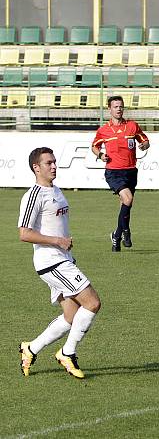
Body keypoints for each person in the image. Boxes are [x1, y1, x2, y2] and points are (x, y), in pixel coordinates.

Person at [18, 147, 101, 379]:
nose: (54, 166)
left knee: (72, 316)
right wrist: (57, 241)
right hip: (51, 261)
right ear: (36, 168)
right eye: (48, 163)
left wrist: (63, 243)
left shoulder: (55, 190)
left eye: (54, 162)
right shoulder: (33, 195)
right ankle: (67, 352)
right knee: (92, 303)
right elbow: (24, 233)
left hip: (62, 259)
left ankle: (31, 348)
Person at [91, 95, 150, 252]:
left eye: (121, 106)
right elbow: (94, 147)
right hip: (114, 172)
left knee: (126, 204)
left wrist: (145, 145)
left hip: (131, 171)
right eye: (116, 107)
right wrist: (101, 155)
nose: (119, 109)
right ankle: (126, 231)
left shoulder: (132, 126)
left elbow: (144, 140)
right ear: (109, 109)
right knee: (128, 199)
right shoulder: (104, 130)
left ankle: (116, 236)